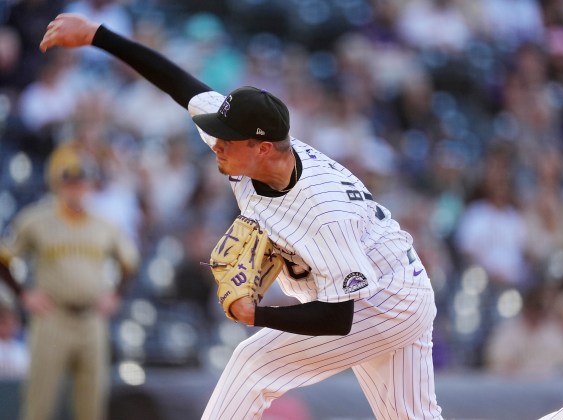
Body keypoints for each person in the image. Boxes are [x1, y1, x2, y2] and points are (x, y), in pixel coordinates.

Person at [39, 13, 443, 420]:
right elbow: (181, 85)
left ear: (262, 148)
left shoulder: (322, 212)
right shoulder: (247, 146)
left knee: (254, 363)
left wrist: (259, 315)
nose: (216, 143)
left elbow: (339, 317)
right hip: (395, 284)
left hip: (382, 300)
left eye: (227, 139)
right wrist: (99, 36)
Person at [0, 144, 140, 420]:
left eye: (82, 183)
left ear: (90, 186)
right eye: (71, 183)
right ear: (59, 185)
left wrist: (115, 295)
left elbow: (129, 262)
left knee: (91, 404)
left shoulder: (104, 224)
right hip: (52, 317)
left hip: (91, 320)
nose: (76, 189)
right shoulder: (37, 219)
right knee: (39, 401)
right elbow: (5, 258)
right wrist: (23, 295)